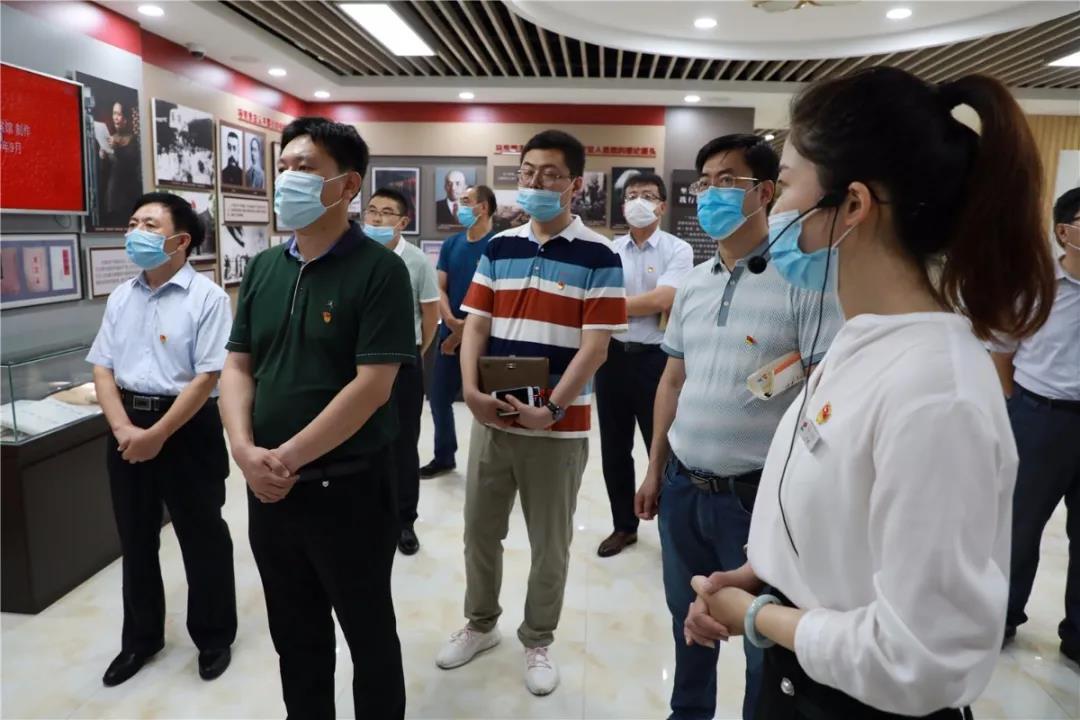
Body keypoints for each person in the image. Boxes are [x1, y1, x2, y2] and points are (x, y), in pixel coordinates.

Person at [684, 67, 1056, 718]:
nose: (774, 211)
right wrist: (766, 573)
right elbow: (842, 522)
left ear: (852, 206)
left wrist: (760, 615)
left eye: (787, 185)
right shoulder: (861, 341)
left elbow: (924, 659)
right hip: (795, 683)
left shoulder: (936, 390)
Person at [634, 134, 842, 720]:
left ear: (766, 192)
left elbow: (822, 393)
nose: (710, 193)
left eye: (727, 180)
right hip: (683, 488)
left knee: (759, 638)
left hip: (756, 499)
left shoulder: (804, 281)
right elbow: (672, 381)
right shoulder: (694, 284)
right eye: (704, 183)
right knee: (688, 620)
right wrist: (654, 468)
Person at [219, 117, 415, 719]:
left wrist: (284, 460)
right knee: (295, 634)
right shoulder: (264, 268)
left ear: (347, 185)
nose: (287, 178)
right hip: (269, 492)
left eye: (304, 167)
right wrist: (244, 451)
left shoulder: (380, 270)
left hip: (348, 489)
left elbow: (372, 387)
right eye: (283, 166)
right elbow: (237, 366)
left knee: (367, 633)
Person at [435, 130, 627, 696]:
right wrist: (470, 390)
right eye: (527, 172)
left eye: (549, 173)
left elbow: (596, 346)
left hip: (560, 429)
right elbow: (476, 324)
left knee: (550, 543)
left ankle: (538, 638)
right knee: (479, 532)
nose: (536, 182)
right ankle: (480, 624)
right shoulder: (499, 247)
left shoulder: (599, 254)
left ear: (575, 183)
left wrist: (554, 407)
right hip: (493, 418)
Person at [87, 191, 237, 687]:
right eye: (133, 223)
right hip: (127, 424)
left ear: (181, 240)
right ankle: (141, 639)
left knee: (202, 535)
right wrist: (124, 429)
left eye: (149, 225)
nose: (136, 232)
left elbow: (207, 376)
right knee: (135, 538)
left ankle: (214, 635)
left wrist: (158, 433)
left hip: (187, 428)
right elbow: (103, 368)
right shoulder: (121, 297)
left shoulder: (208, 298)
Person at [993, 186, 1080, 663]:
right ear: (1064, 232)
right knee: (1018, 528)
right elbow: (1001, 350)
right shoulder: (1034, 283)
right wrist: (1018, 408)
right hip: (1039, 416)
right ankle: (1002, 616)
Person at [595, 172, 692, 558]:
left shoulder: (677, 249)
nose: (639, 201)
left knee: (662, 445)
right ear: (623, 206)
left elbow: (663, 299)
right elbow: (603, 298)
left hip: (657, 360)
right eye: (632, 195)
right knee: (614, 448)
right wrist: (634, 305)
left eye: (648, 196)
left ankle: (671, 529)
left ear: (662, 205)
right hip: (612, 357)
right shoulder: (609, 250)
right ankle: (624, 526)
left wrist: (609, 306)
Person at [364, 187, 440, 555]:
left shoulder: (417, 261)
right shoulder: (356, 257)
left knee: (403, 444)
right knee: (361, 437)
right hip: (360, 363)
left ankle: (404, 520)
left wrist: (411, 355)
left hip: (403, 363)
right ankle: (369, 513)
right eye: (371, 210)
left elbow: (430, 317)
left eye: (386, 212)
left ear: (403, 221)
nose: (376, 218)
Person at [421, 185, 499, 478]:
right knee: (439, 398)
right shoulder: (452, 244)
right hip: (449, 335)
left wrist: (461, 334)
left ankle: (494, 462)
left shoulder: (498, 245)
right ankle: (444, 457)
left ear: (483, 207)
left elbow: (499, 297)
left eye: (466, 201)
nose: (460, 205)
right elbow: (440, 287)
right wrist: (451, 321)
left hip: (487, 340)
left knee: (491, 402)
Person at [102, 100, 141, 227]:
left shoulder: (134, 140)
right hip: (112, 198)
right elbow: (108, 171)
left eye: (119, 114)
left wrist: (116, 149)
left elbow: (130, 165)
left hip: (127, 198)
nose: (116, 118)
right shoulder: (111, 138)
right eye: (114, 113)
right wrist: (103, 156)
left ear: (126, 118)